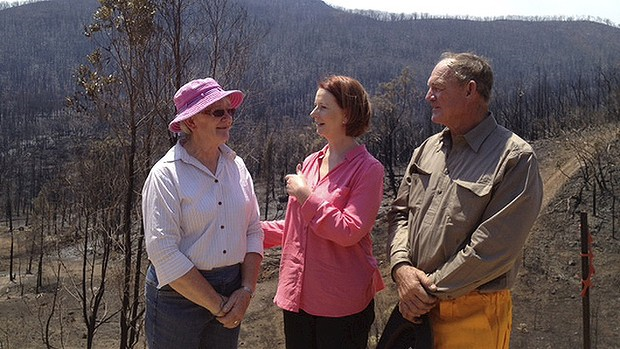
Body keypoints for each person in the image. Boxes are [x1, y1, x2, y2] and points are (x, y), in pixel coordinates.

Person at [386, 52, 544, 348]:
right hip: (416, 306)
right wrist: (402, 269)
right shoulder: (426, 150)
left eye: (437, 88)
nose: (427, 96)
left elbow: (493, 248)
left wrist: (425, 290)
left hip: (472, 311)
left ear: (470, 90)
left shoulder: (515, 158)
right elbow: (400, 215)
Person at [261, 75, 385, 349]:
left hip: (341, 304)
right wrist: (252, 230)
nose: (313, 114)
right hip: (298, 296)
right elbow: (300, 227)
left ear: (347, 114)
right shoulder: (310, 163)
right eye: (315, 107)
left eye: (322, 108)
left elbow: (349, 230)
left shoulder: (368, 169)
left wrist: (306, 195)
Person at [142, 78, 264, 349]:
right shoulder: (165, 175)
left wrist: (246, 291)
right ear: (193, 122)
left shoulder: (237, 167)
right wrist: (218, 305)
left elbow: (253, 230)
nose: (228, 119)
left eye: (230, 111)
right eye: (218, 112)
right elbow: (163, 252)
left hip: (233, 290)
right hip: (178, 299)